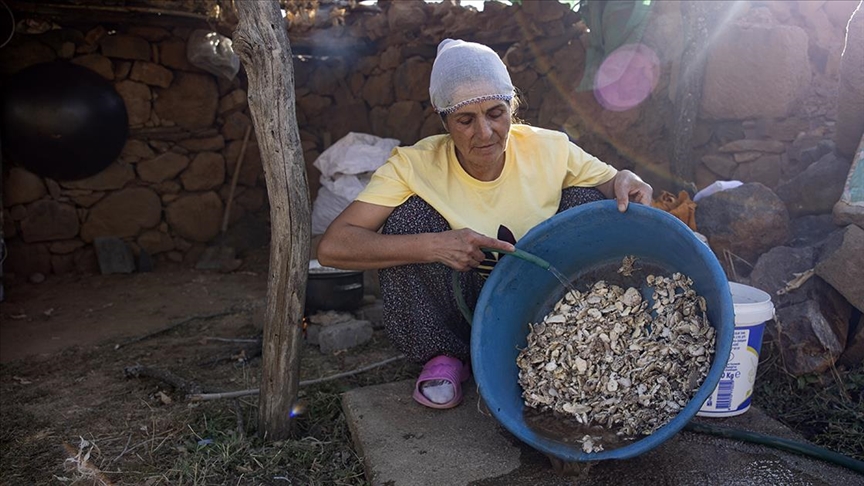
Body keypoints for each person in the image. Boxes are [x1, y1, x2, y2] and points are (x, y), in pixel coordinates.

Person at [317, 39, 653, 410]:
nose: (485, 132)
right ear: (442, 119)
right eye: (465, 120)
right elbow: (334, 246)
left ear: (512, 106)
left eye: (496, 113)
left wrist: (627, 179)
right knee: (407, 220)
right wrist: (435, 245)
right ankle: (445, 356)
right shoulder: (413, 166)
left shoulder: (550, 148)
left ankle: (577, 341)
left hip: (542, 304)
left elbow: (614, 181)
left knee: (586, 200)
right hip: (458, 306)